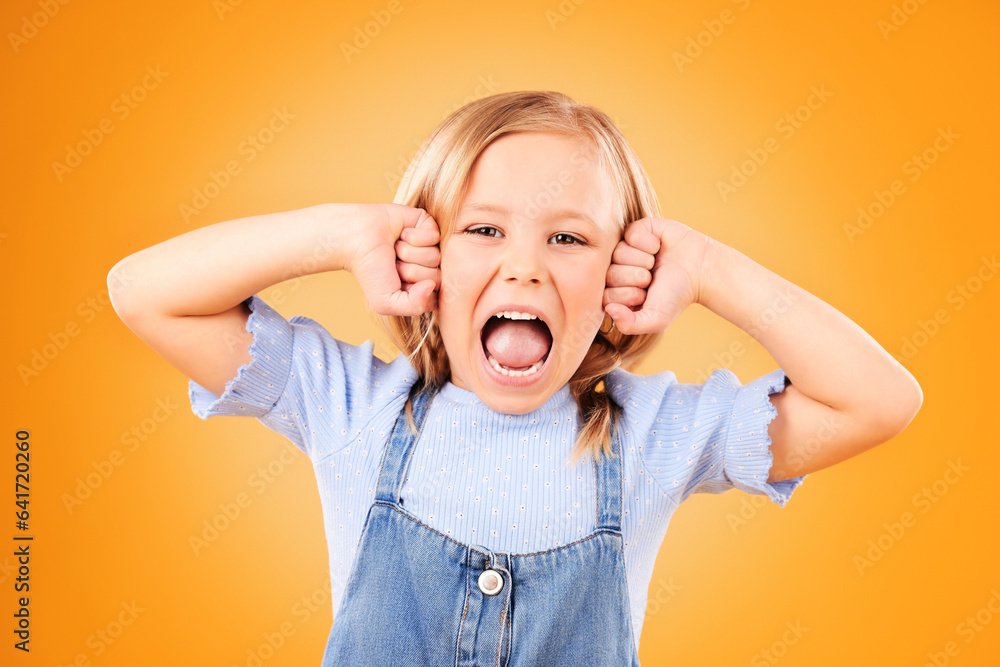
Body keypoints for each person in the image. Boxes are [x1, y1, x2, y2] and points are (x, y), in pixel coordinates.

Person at [108, 91, 922, 666]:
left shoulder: (656, 436)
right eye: (483, 228)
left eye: (569, 239)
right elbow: (144, 294)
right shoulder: (352, 406)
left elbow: (880, 399)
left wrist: (709, 269)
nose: (525, 267)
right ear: (424, 252)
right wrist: (343, 233)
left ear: (624, 276)